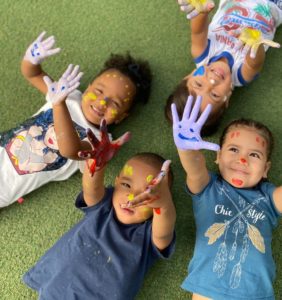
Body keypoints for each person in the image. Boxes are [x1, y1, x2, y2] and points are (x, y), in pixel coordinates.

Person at [23, 122, 176, 300]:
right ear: (117, 182)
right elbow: (91, 189)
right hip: (58, 287)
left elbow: (164, 233)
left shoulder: (150, 235)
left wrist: (163, 205)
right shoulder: (104, 205)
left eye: (147, 195)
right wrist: (96, 163)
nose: (131, 197)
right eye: (126, 185)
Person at [0, 31, 152, 207]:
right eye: (99, 91)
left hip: (6, 187)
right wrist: (31, 59)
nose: (102, 102)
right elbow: (33, 74)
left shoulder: (99, 142)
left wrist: (58, 104)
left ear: (121, 117)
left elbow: (69, 150)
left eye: (115, 104)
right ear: (87, 88)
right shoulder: (69, 95)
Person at [171, 95, 282, 299]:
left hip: (256, 293)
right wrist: (185, 148)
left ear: (266, 169)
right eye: (233, 149)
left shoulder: (268, 197)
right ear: (218, 156)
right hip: (208, 290)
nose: (242, 159)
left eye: (254, 155)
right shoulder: (208, 187)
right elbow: (194, 168)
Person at [165, 0, 282, 135]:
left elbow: (198, 32)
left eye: (198, 83)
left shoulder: (202, 53)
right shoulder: (241, 75)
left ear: (187, 77)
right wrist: (255, 44)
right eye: (214, 94)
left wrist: (201, 12)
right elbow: (255, 63)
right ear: (227, 100)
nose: (212, 82)